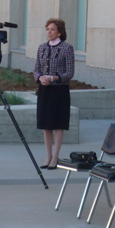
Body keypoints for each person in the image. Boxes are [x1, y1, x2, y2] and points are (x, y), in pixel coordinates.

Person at [34, 18, 75, 170]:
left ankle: (56, 156)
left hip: (59, 90)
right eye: (47, 29)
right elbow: (36, 68)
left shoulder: (67, 48)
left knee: (58, 124)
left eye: (52, 29)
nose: (49, 32)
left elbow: (70, 72)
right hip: (45, 90)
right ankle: (48, 155)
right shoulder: (42, 48)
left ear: (59, 32)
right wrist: (40, 78)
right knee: (46, 124)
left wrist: (54, 78)